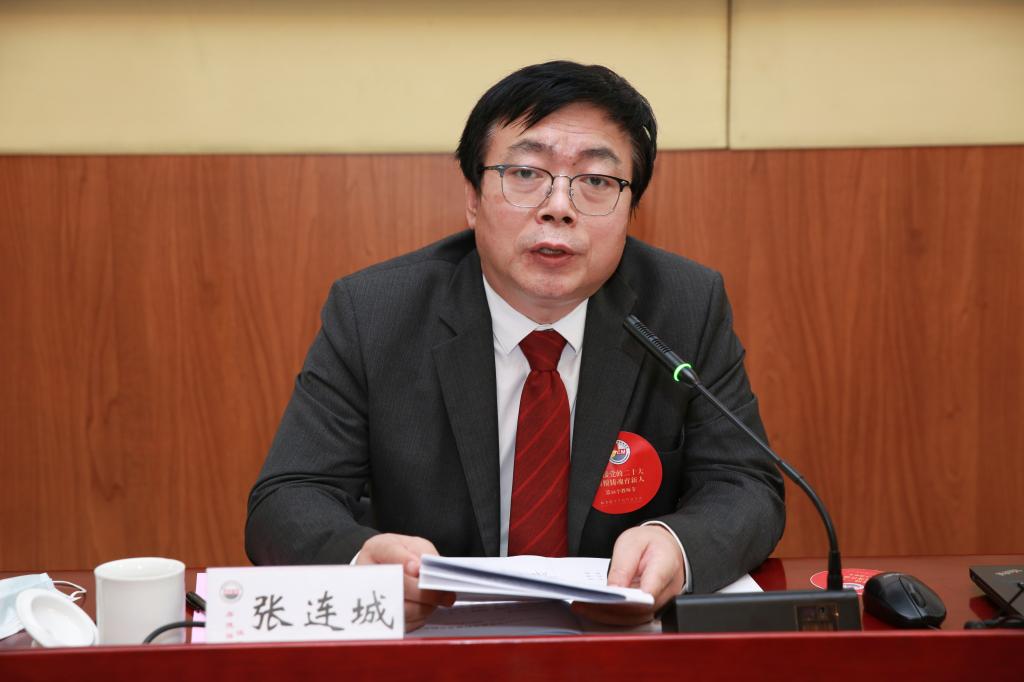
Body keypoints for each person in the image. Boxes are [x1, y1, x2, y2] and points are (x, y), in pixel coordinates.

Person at [246, 61, 785, 631]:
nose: (559, 206)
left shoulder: (684, 306)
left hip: (621, 644)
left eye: (596, 181)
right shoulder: (375, 313)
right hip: (435, 645)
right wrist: (362, 565)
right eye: (525, 172)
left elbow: (746, 484)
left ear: (631, 210)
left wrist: (677, 543)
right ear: (473, 198)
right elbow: (287, 498)